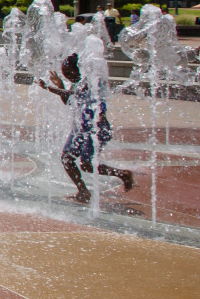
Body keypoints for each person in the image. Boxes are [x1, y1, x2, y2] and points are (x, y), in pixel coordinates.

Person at [38, 52, 134, 204]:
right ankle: (83, 191)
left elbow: (75, 94)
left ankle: (122, 174)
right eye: (65, 74)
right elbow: (69, 100)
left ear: (79, 70)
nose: (68, 76)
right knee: (67, 159)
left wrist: (50, 88)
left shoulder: (89, 82)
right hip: (80, 129)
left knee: (86, 164)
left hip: (95, 129)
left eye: (70, 73)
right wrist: (60, 86)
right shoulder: (76, 83)